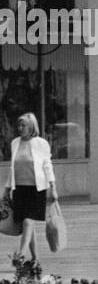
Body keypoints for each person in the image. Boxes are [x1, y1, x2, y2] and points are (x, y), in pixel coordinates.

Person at [8, 113, 57, 268]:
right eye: (19, 125)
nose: (20, 128)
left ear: (32, 127)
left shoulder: (41, 143)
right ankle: (35, 259)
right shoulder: (15, 143)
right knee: (27, 225)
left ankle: (20, 254)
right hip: (20, 189)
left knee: (28, 221)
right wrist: (6, 189)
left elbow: (47, 166)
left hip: (37, 189)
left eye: (24, 125)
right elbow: (12, 168)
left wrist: (53, 187)